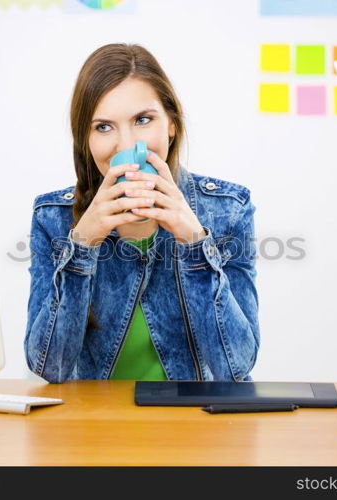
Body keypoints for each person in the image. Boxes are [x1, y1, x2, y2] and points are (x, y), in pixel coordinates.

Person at [24, 43, 259, 383]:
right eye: (103, 127)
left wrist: (194, 244)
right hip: (95, 428)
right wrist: (82, 247)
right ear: (85, 139)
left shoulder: (228, 210)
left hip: (195, 426)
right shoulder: (53, 218)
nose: (126, 146)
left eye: (143, 120)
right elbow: (50, 367)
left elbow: (234, 368)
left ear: (171, 125)